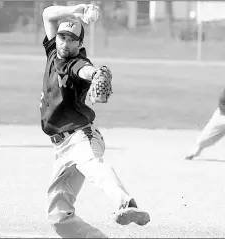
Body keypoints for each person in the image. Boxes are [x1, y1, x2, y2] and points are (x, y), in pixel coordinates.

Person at [39, 3, 150, 235]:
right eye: (62, 37)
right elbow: (48, 14)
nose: (64, 43)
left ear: (79, 44)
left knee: (92, 166)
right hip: (61, 148)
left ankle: (126, 204)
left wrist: (96, 73)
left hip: (82, 137)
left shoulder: (76, 63)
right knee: (59, 216)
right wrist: (75, 11)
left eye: (71, 39)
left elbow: (86, 71)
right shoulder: (52, 53)